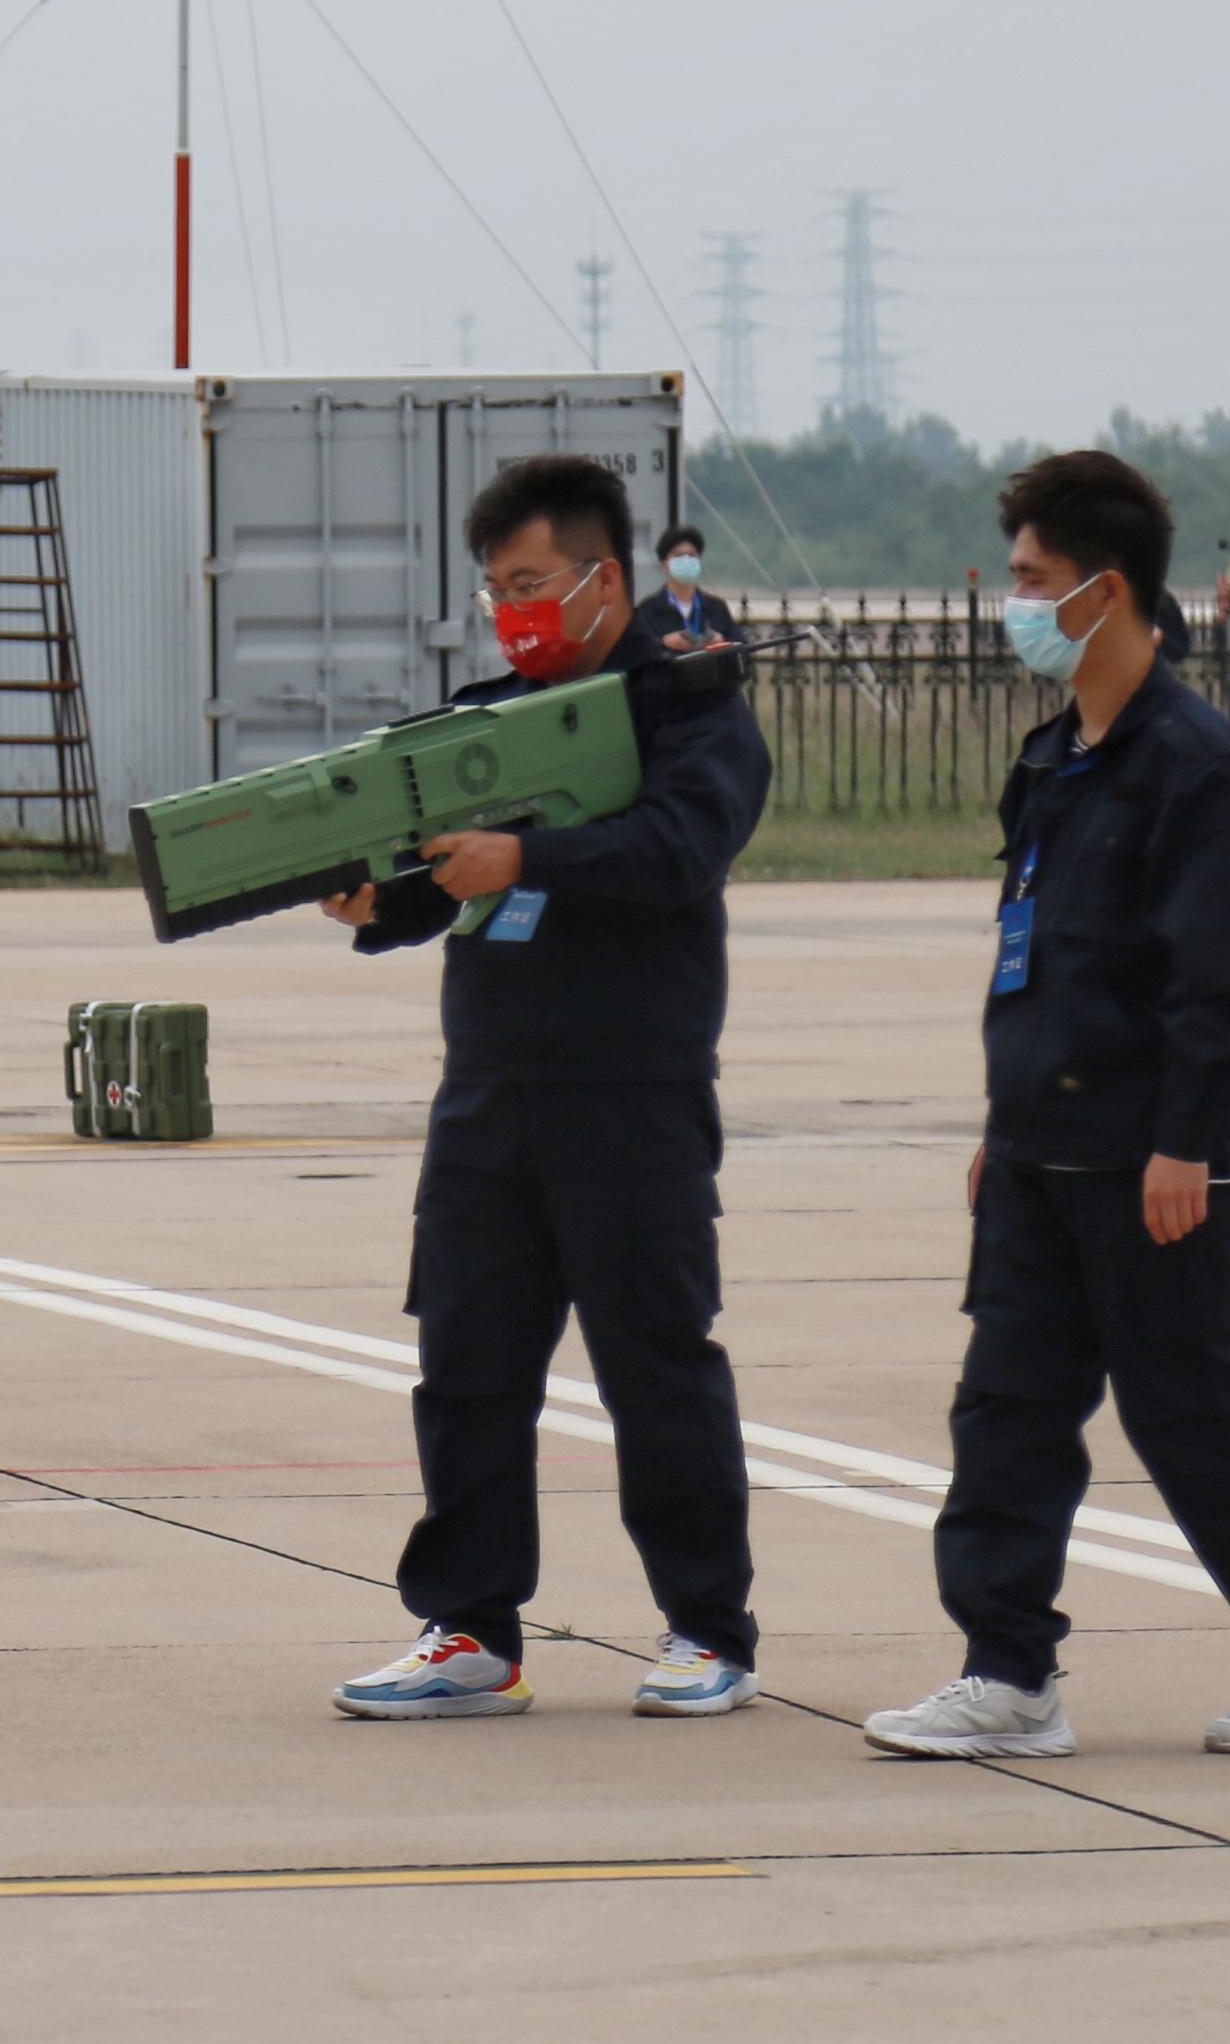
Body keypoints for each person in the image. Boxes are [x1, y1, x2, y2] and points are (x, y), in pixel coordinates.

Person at [866, 450, 1230, 1763]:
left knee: (1194, 1416)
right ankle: (1006, 1672)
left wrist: (1188, 1148)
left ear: (1106, 592)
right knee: (1005, 1410)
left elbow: (1219, 987)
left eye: (1035, 583)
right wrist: (1003, 1124)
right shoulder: (1055, 760)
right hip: (1041, 1148)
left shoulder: (1193, 766)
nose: (1016, 606)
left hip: (1151, 1154)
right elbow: (1033, 956)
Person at [316, 453, 773, 1723]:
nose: (511, 612)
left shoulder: (690, 708)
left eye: (530, 584)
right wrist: (378, 898)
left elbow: (681, 847)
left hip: (630, 1087)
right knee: (465, 1361)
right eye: (494, 590)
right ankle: (468, 1626)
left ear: (602, 579)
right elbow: (437, 876)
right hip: (491, 1090)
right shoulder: (483, 722)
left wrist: (533, 854)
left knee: (655, 1365)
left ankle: (706, 1628)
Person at [631, 524, 748, 653]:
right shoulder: (648, 610)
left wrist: (722, 642)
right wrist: (663, 643)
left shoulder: (717, 608)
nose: (686, 560)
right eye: (679, 556)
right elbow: (636, 652)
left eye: (692, 555)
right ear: (664, 565)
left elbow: (742, 649)